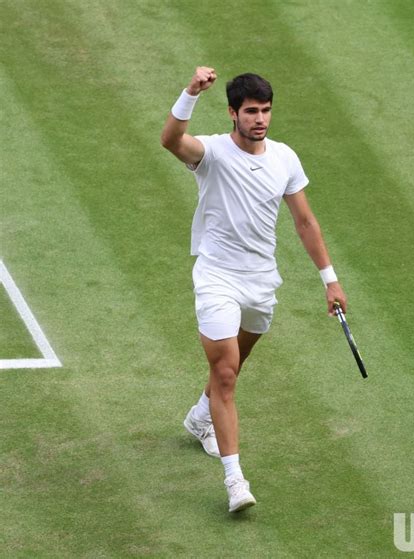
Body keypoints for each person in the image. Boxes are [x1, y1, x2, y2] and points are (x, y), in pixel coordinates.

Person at [161, 67, 347, 513]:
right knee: (225, 373)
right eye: (250, 111)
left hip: (261, 282)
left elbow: (304, 222)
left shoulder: (285, 157)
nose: (259, 118)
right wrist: (190, 92)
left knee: (234, 364)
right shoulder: (212, 154)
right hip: (217, 277)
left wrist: (330, 279)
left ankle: (200, 417)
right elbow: (171, 140)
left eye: (265, 110)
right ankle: (234, 481)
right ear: (232, 113)